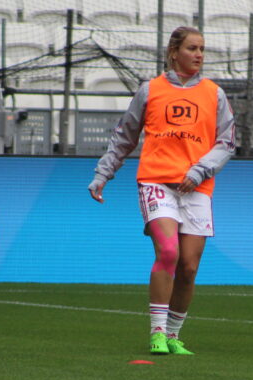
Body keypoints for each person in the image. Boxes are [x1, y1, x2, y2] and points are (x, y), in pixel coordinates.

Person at [88, 26, 235, 355]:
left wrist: (199, 172)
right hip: (156, 182)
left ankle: (172, 335)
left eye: (202, 49)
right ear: (174, 52)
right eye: (192, 48)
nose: (198, 55)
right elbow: (124, 136)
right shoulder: (150, 90)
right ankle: (155, 332)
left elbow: (227, 143)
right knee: (168, 253)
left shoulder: (214, 94)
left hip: (197, 187)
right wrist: (103, 174)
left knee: (189, 267)